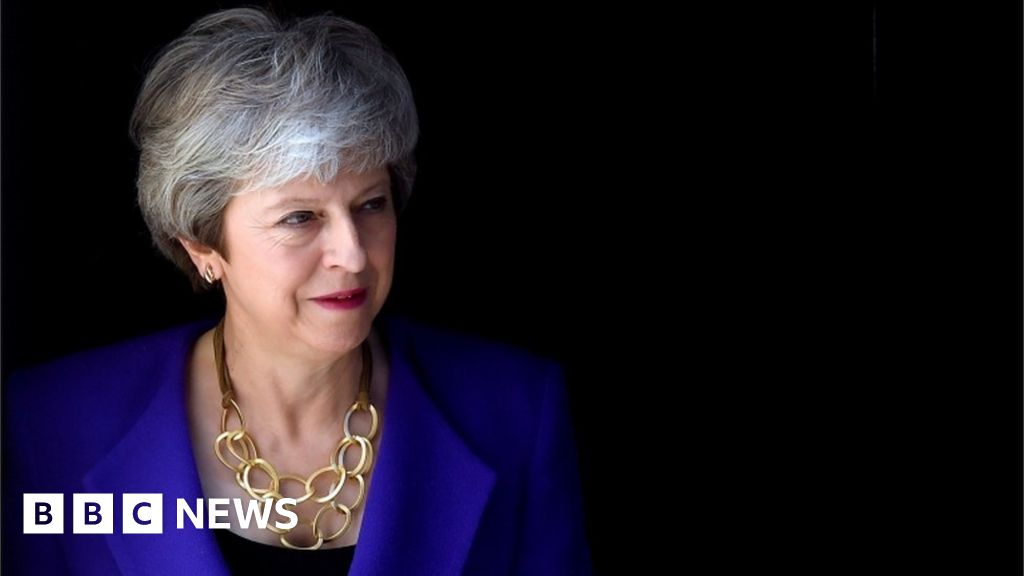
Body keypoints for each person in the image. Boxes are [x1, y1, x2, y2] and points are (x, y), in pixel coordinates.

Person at [2, 7, 590, 575]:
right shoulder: (52, 422)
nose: (353, 254)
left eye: (371, 205)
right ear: (201, 246)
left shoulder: (517, 411)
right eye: (300, 217)